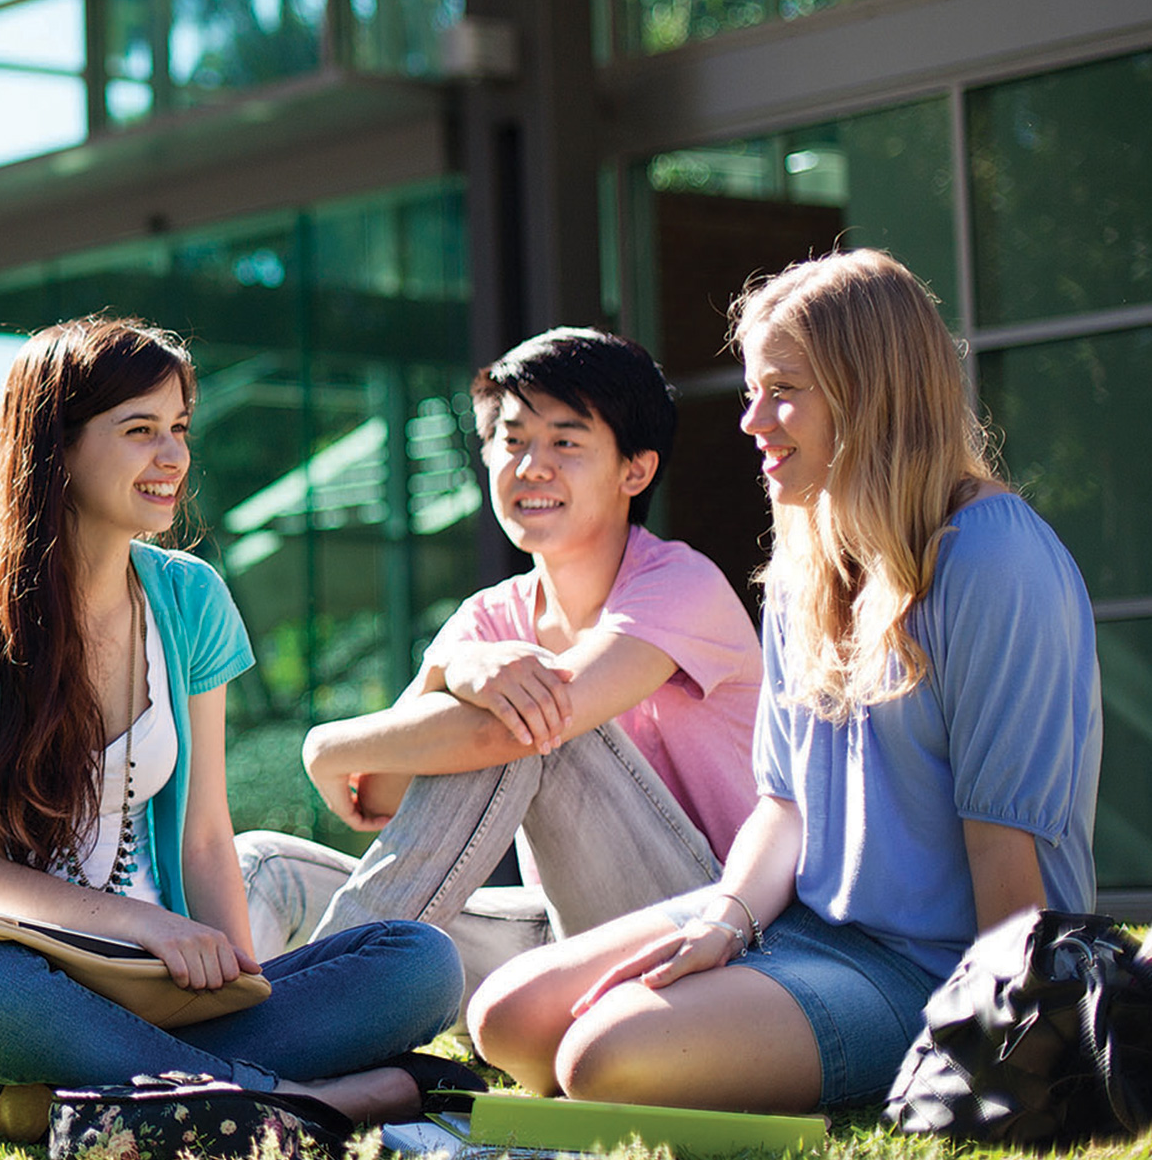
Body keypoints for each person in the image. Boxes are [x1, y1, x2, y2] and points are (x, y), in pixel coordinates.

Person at [468, 251, 1103, 1115]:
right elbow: (784, 807)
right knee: (507, 1017)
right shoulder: (807, 564)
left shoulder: (993, 558)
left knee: (600, 1062)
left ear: (870, 393)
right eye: (750, 391)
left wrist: (1000, 1052)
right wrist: (721, 926)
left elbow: (1006, 851)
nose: (752, 420)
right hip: (802, 925)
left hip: (936, 965)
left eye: (784, 391)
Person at [0, 316, 463, 1136]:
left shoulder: (189, 599)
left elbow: (203, 837)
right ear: (58, 445)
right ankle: (303, 1102)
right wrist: (152, 925)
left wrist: (239, 985)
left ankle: (118, 1096)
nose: (174, 458)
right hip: (24, 988)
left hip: (166, 999)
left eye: (179, 430)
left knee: (420, 963)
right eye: (139, 431)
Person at [238, 326, 761, 999]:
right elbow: (383, 794)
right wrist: (447, 671)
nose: (530, 466)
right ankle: (205, 1054)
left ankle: (321, 1011)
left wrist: (325, 743)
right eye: (512, 441)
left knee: (532, 714)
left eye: (565, 442)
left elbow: (497, 737)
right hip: (567, 930)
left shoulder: (680, 585)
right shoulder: (489, 618)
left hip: (713, 929)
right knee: (265, 866)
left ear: (635, 469)